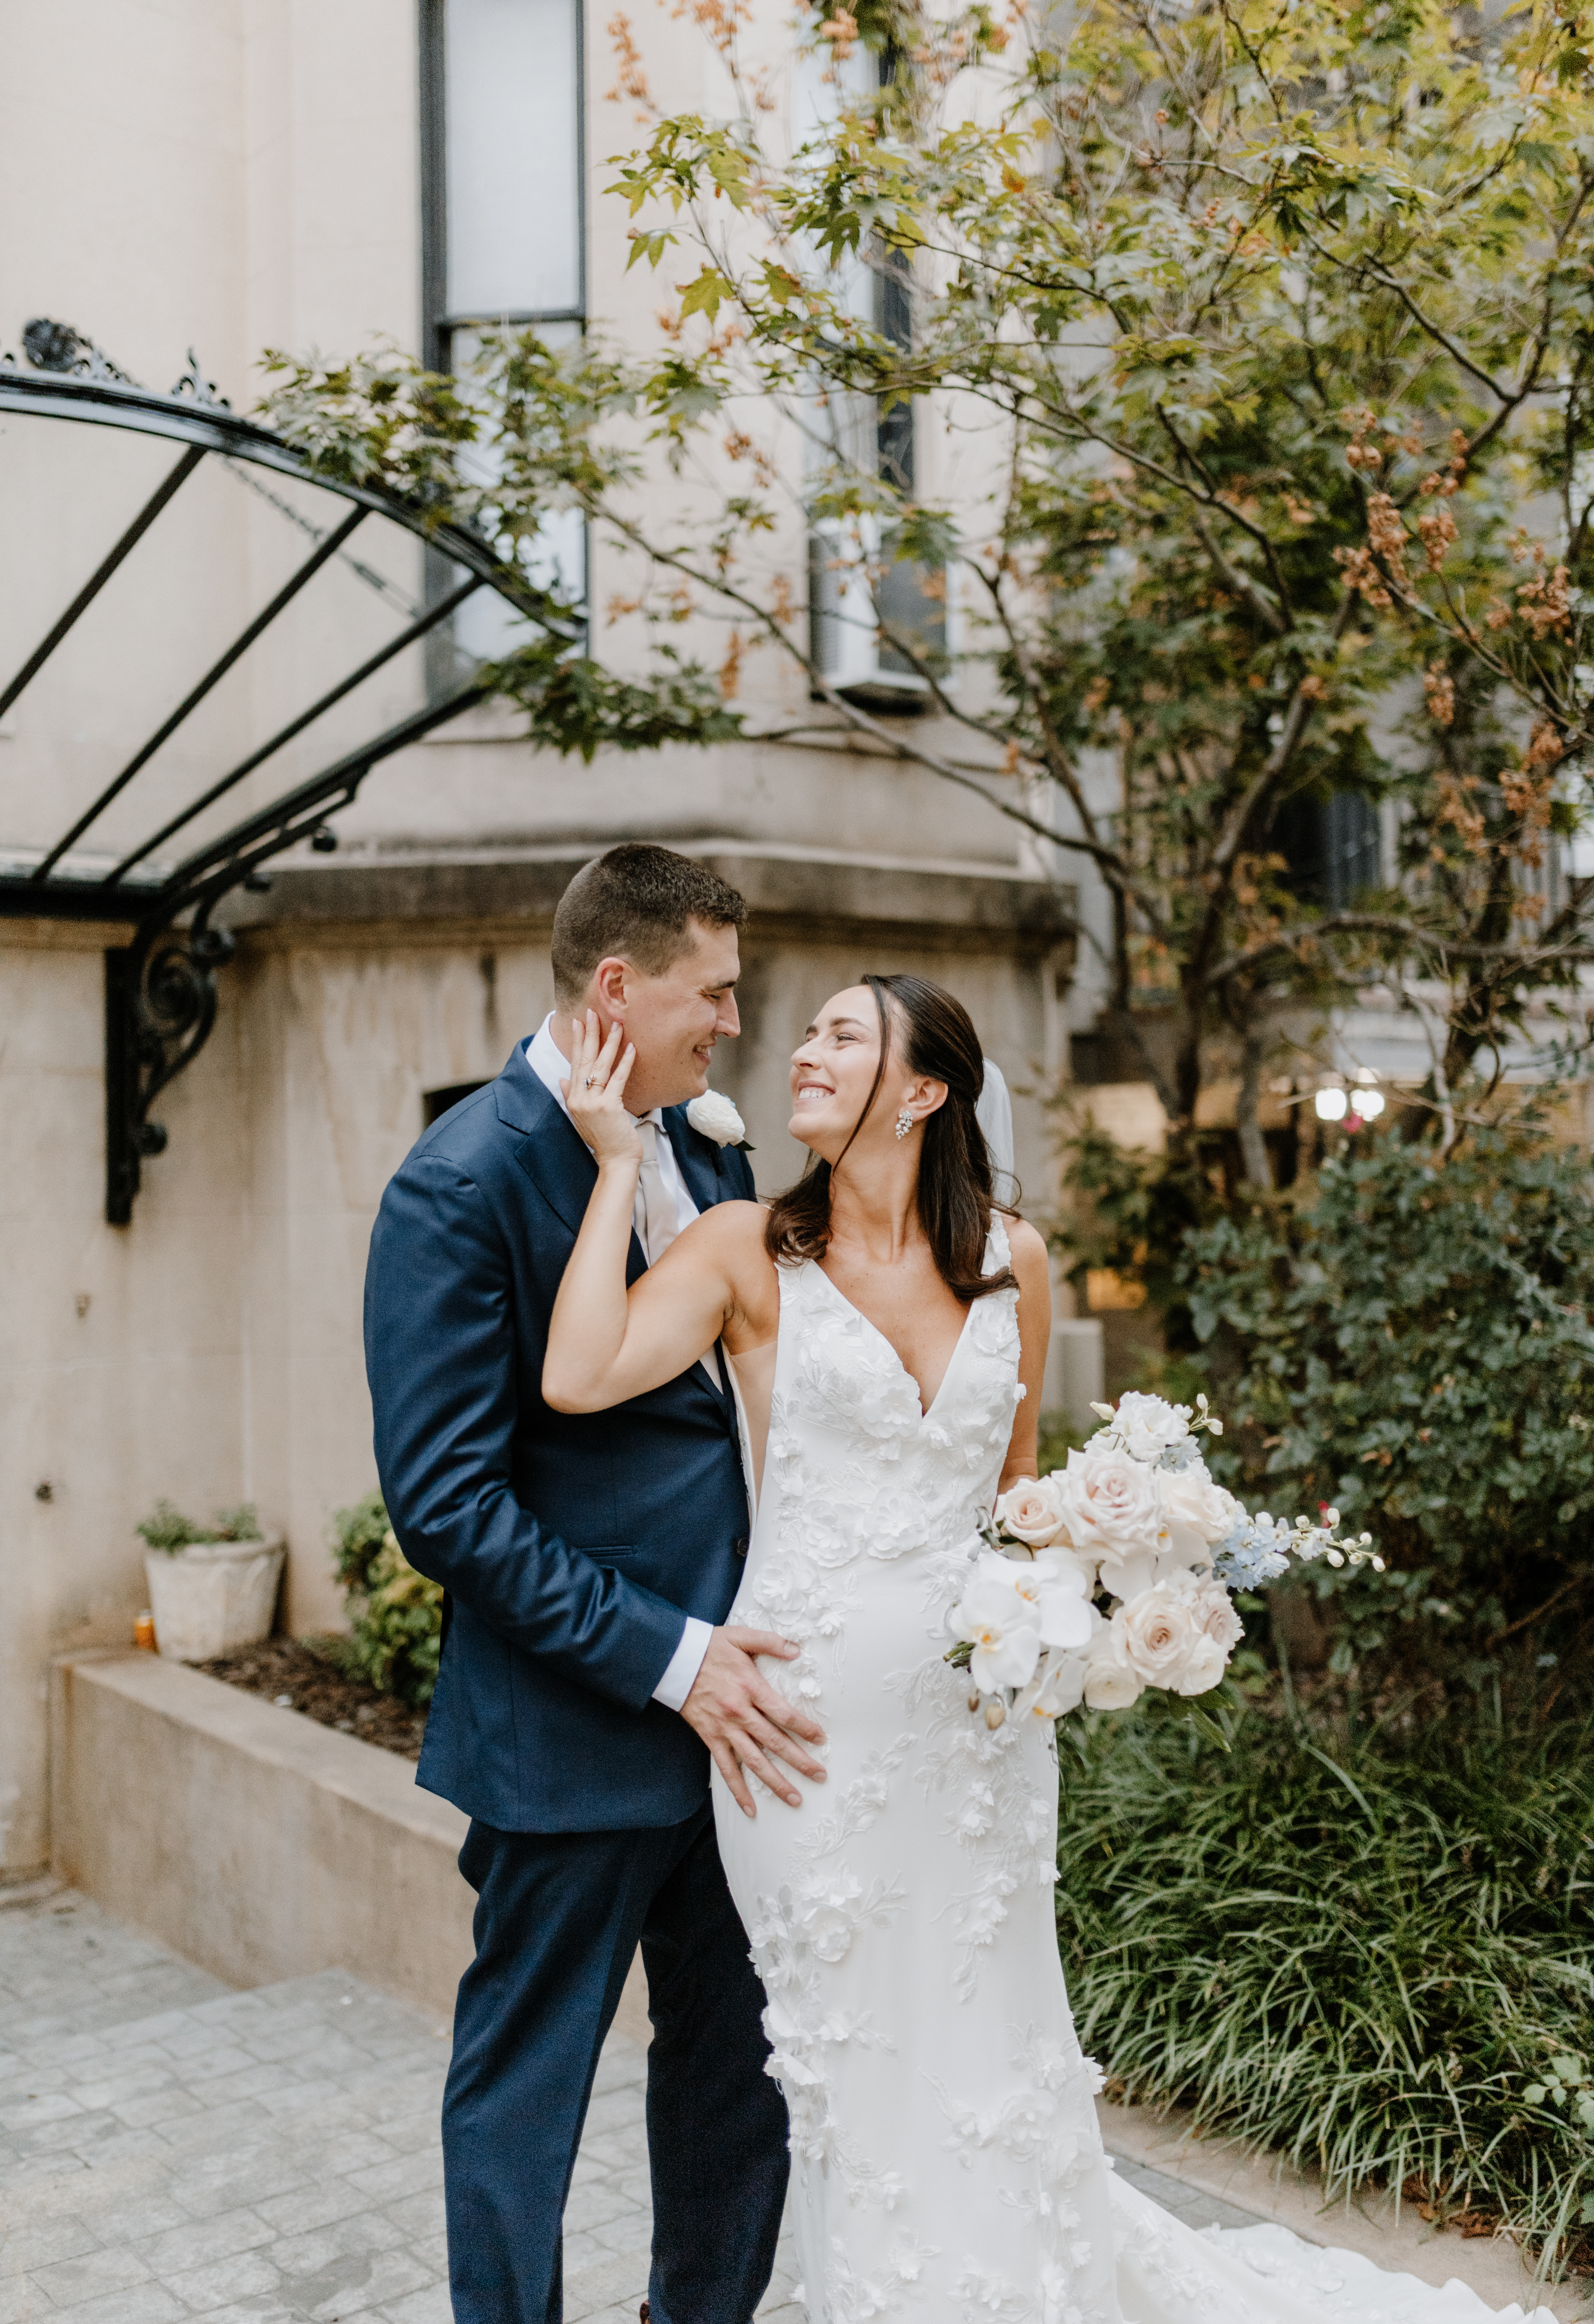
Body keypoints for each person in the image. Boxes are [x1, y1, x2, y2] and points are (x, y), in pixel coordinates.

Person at [542, 971, 1563, 2324]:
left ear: (922, 1089)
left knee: (991, 2048)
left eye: (843, 1035)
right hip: (801, 1746)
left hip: (979, 1741)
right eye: (809, 1031)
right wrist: (617, 1164)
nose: (802, 1050)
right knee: (850, 2066)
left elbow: (1012, 1498)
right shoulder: (746, 1247)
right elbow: (579, 1371)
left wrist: (1075, 1602)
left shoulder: (1011, 1257)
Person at [365, 844, 815, 2324]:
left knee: (740, 2078)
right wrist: (668, 1656)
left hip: (743, 1737)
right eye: (716, 991)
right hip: (574, 1735)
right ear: (619, 985)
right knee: (524, 2095)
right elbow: (447, 1508)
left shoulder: (710, 1143)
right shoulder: (460, 1180)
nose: (736, 1025)